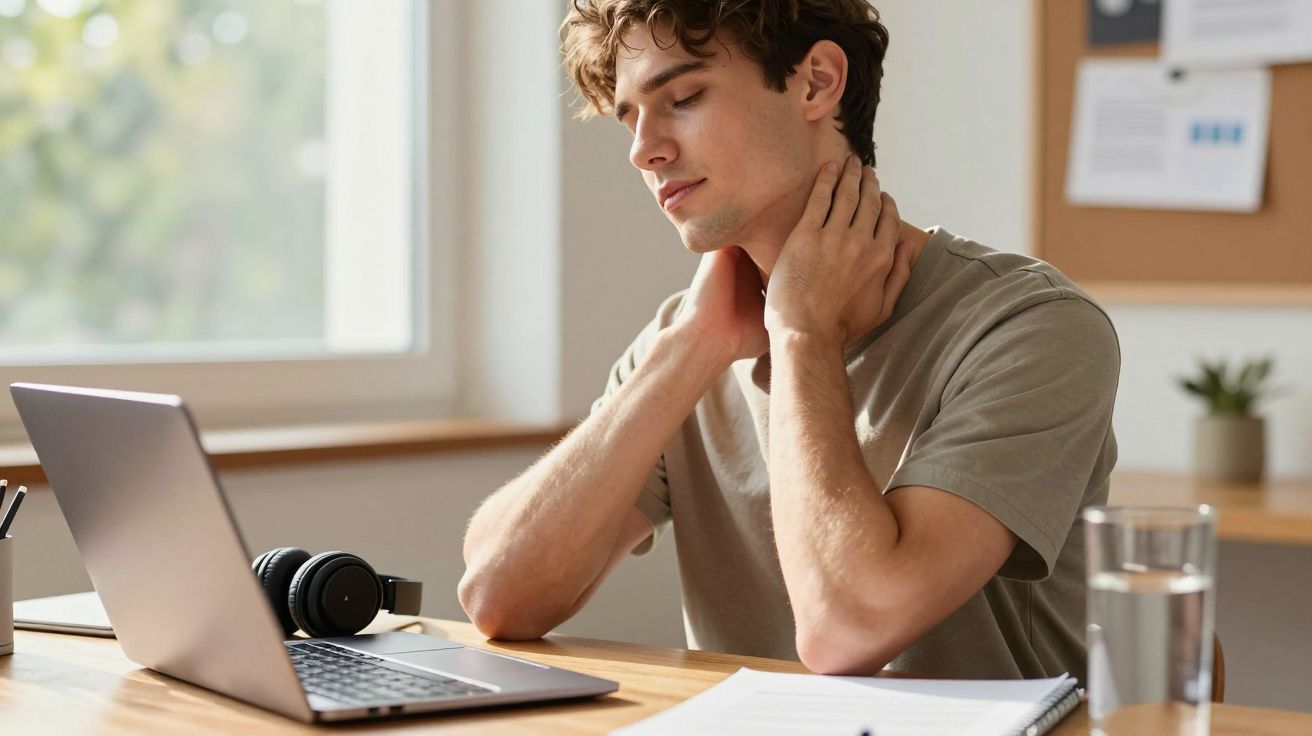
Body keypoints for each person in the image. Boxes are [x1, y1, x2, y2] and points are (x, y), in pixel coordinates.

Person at [458, 0, 1119, 682]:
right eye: (629, 117)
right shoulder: (687, 339)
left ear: (816, 82)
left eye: (682, 97)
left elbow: (850, 628)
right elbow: (497, 594)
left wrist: (802, 331)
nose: (642, 149)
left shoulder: (1031, 327)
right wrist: (692, 349)